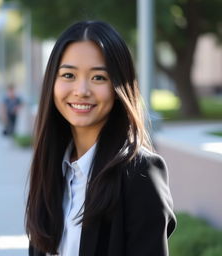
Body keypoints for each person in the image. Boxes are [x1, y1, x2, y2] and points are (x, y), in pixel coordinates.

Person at [26, 21, 176, 256]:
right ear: (52, 83)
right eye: (68, 75)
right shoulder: (52, 168)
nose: (81, 90)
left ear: (118, 87)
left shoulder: (140, 173)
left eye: (98, 78)